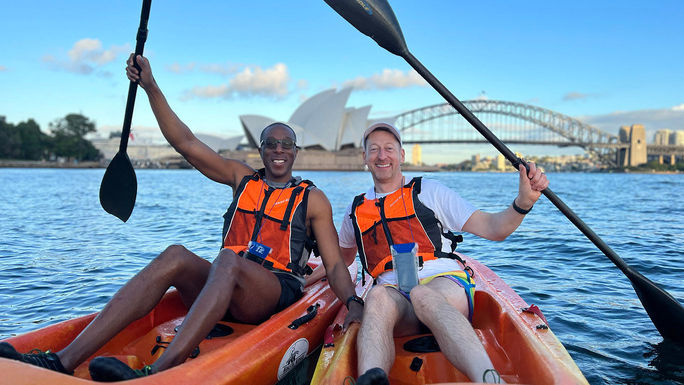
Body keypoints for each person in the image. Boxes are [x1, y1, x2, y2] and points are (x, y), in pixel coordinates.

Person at [0, 54, 363, 381]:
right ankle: (62, 360)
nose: (279, 150)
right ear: (261, 150)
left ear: (296, 153)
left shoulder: (312, 199)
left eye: (287, 144)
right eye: (272, 143)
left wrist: (353, 303)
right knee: (175, 254)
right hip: (230, 279)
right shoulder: (241, 177)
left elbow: (332, 266)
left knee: (227, 260)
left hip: (273, 291)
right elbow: (186, 143)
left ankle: (161, 370)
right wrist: (151, 87)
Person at [338, 122, 549, 385]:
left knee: (422, 293)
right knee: (377, 295)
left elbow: (494, 228)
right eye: (374, 149)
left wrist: (523, 203)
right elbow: (340, 263)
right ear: (365, 157)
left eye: (389, 148)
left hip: (444, 287)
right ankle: (371, 379)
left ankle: (489, 380)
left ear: (401, 156)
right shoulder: (355, 210)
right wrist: (347, 299)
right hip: (397, 303)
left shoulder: (429, 191)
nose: (382, 156)